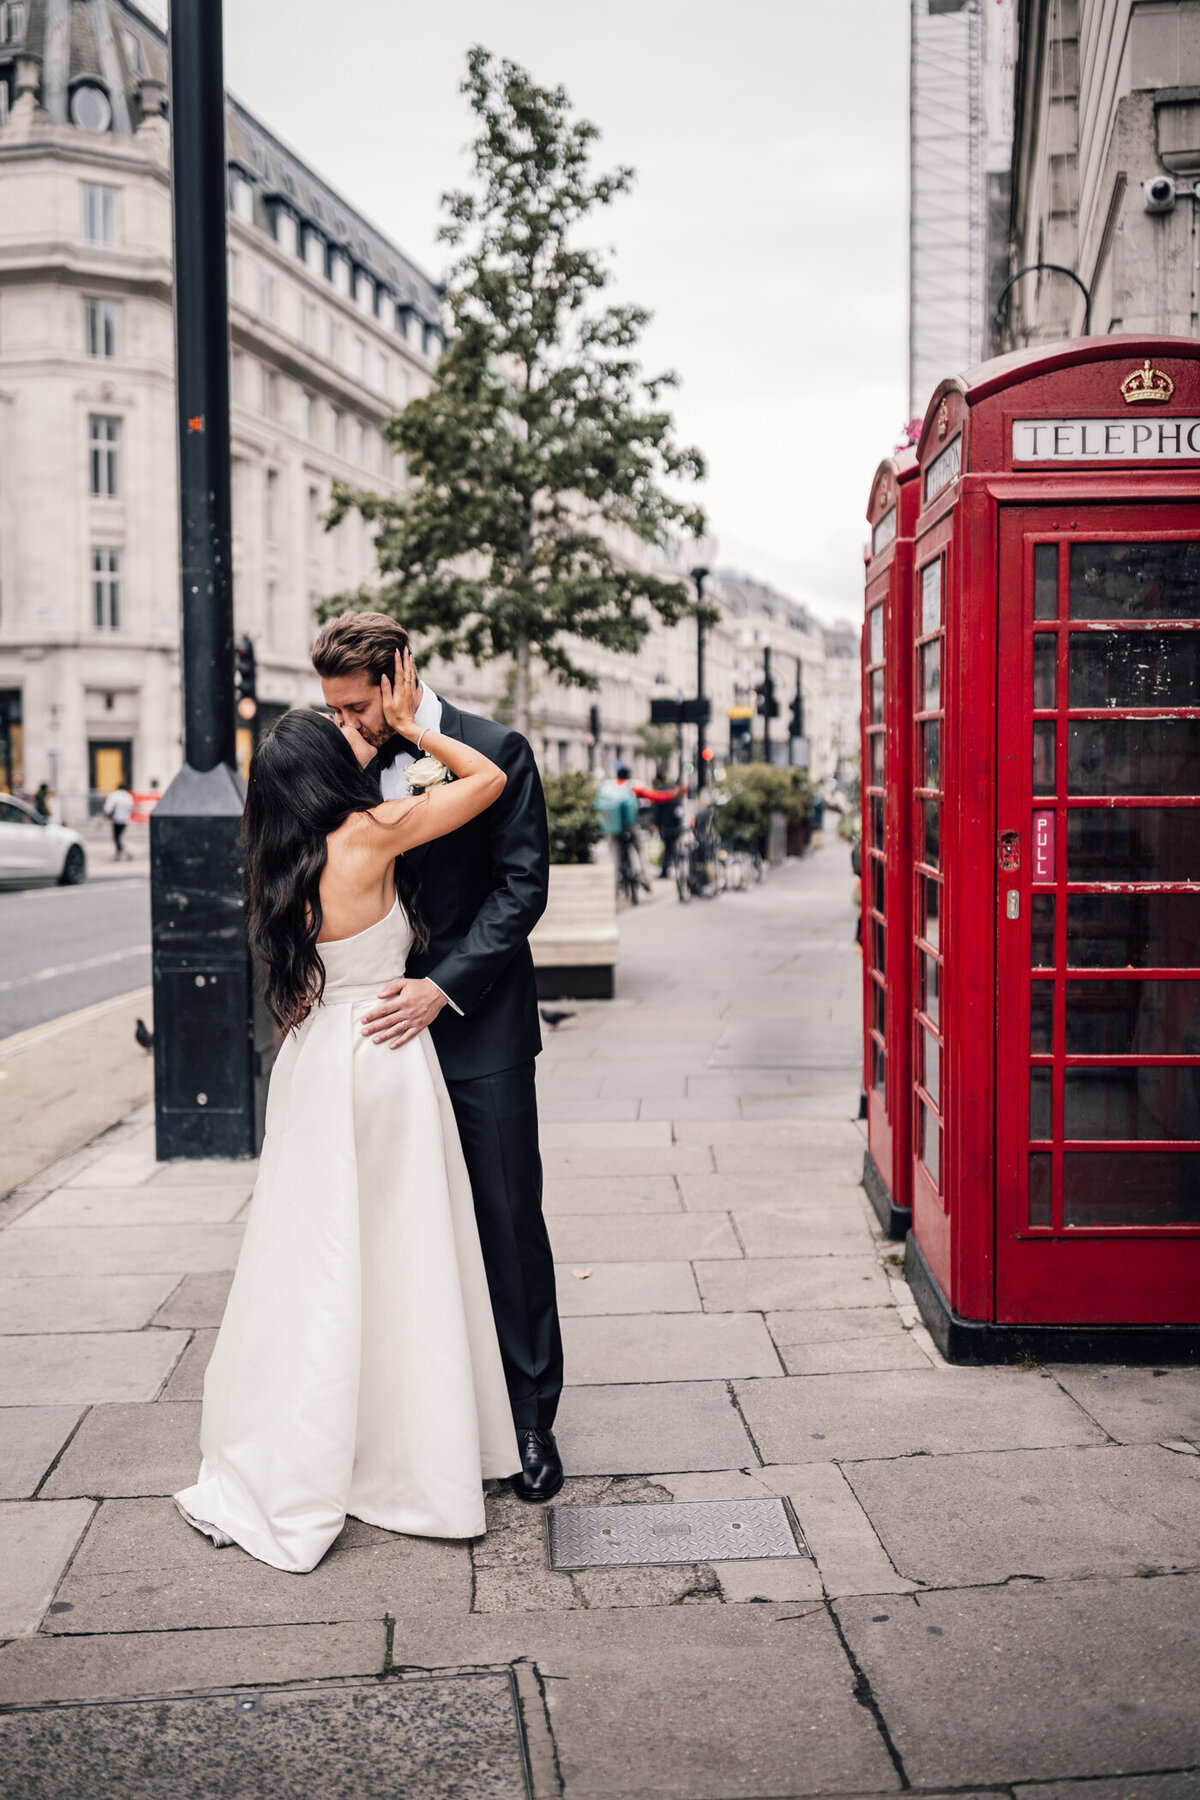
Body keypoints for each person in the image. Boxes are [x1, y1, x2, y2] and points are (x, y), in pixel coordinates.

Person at [174, 653, 521, 1573]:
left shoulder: (279, 855)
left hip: (314, 1061)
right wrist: (413, 730)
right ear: (327, 773)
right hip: (384, 1059)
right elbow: (489, 778)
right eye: (340, 734)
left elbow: (296, 982)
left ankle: (311, 1432)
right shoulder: (371, 833)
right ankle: (405, 1448)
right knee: (401, 1253)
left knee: (312, 1257)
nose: (354, 731)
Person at [311, 613, 564, 1506]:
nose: (345, 722)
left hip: (478, 1028)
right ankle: (429, 1419)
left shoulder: (498, 748)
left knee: (504, 1219)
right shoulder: (333, 762)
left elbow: (521, 887)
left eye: (356, 706)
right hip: (376, 1033)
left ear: (399, 680)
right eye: (332, 707)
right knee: (400, 1235)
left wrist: (443, 988)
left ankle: (531, 1422)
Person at [634, 775, 685, 879]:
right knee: (670, 847)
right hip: (674, 825)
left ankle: (665, 869)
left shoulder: (660, 792)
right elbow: (679, 811)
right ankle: (671, 866)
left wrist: (655, 824)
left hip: (664, 825)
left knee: (666, 847)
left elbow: (657, 810)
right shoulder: (672, 793)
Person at [102, 783, 133, 859]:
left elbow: (108, 808)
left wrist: (108, 815)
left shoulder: (114, 795)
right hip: (125, 820)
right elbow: (131, 807)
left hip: (116, 819)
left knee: (116, 838)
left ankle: (121, 853)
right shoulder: (128, 796)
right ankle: (123, 852)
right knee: (119, 837)